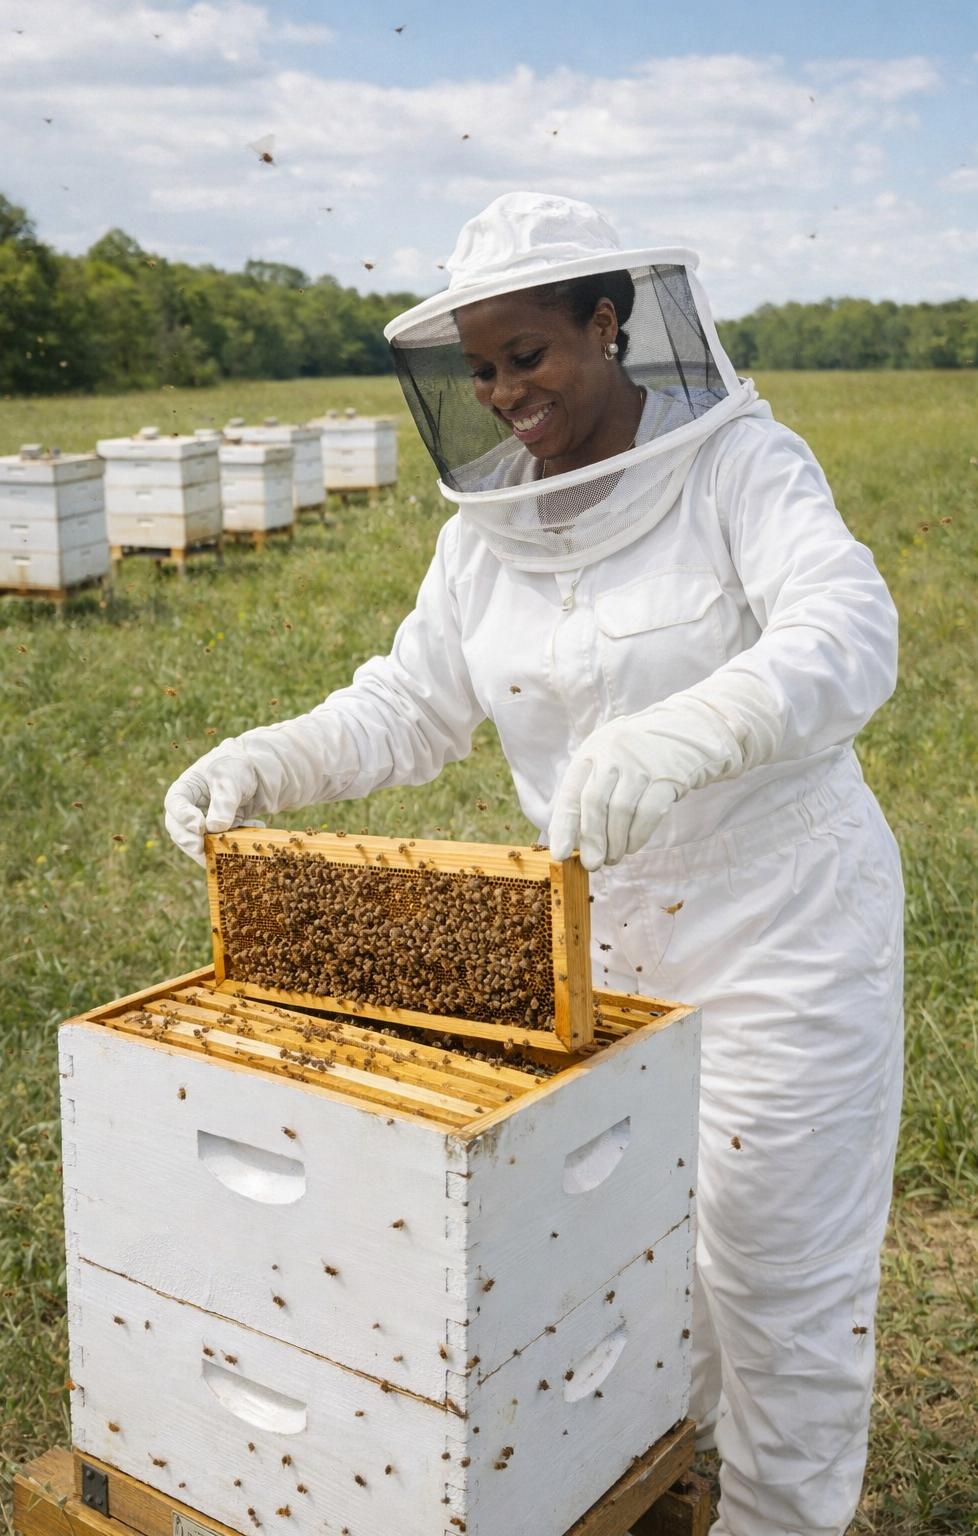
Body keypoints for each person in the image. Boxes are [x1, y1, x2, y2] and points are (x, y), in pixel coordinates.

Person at [165, 192, 904, 1536]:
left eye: (530, 354)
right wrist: (266, 760)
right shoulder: (483, 534)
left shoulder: (743, 468)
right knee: (624, 1269)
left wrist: (699, 727)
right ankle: (656, 1486)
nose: (506, 391)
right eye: (484, 368)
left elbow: (846, 630)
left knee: (775, 1276)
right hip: (600, 945)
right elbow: (407, 704)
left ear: (608, 324)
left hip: (783, 922)